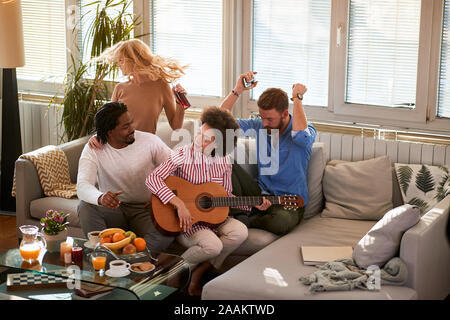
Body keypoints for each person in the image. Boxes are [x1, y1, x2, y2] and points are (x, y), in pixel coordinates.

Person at [146, 107, 269, 296]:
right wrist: (178, 203)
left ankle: (198, 270)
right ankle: (174, 272)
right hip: (188, 221)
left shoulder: (224, 161)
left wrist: (253, 203)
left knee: (240, 232)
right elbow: (152, 179)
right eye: (199, 133)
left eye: (205, 139)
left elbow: (224, 197)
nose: (197, 140)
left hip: (213, 219)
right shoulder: (182, 154)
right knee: (214, 245)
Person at [220, 71, 317, 235]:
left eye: (270, 119)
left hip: (288, 202)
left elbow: (300, 136)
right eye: (262, 117)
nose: (264, 123)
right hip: (259, 193)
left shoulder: (306, 130)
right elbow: (220, 121)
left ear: (285, 113)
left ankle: (245, 219)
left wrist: (297, 99)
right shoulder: (260, 125)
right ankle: (241, 212)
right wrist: (237, 90)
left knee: (280, 222)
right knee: (226, 161)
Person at [77, 101, 175, 252]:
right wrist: (101, 198)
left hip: (146, 210)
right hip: (114, 210)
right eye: (125, 127)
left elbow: (178, 168)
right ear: (109, 132)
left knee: (168, 230)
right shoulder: (94, 148)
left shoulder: (150, 141)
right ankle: (102, 256)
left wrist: (160, 198)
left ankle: (135, 259)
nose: (132, 128)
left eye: (131, 123)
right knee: (85, 206)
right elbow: (82, 186)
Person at [89, 38, 188, 149]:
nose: (118, 65)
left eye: (121, 60)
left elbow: (176, 127)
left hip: (146, 150)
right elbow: (106, 122)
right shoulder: (120, 88)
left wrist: (180, 103)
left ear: (133, 60)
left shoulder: (162, 87)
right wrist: (96, 136)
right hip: (118, 148)